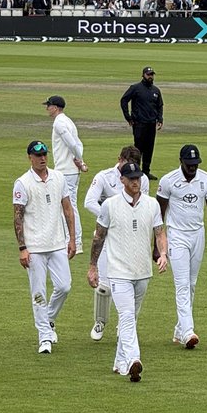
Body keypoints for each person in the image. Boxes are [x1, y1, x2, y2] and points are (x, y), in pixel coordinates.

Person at [87, 161, 167, 381]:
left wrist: (163, 254)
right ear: (121, 180)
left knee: (130, 317)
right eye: (131, 179)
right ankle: (134, 359)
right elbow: (98, 237)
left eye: (138, 178)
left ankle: (120, 362)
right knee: (127, 315)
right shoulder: (110, 206)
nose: (136, 182)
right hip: (119, 272)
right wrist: (93, 266)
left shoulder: (151, 205)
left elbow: (160, 233)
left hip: (142, 271)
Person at [156, 143, 207, 349]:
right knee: (182, 284)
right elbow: (158, 215)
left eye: (195, 164)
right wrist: (157, 246)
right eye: (189, 164)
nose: (193, 167)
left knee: (191, 284)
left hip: (198, 235)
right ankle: (188, 332)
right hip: (176, 235)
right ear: (181, 162)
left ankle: (179, 329)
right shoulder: (168, 181)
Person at [12, 139, 76, 354]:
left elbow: (68, 210)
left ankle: (48, 320)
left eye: (44, 154)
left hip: (57, 243)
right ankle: (44, 337)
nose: (42, 158)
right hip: (35, 247)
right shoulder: (22, 183)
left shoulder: (58, 178)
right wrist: (22, 247)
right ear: (29, 157)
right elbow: (18, 217)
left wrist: (72, 239)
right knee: (38, 292)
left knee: (65, 286)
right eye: (37, 155)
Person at [83, 144, 148, 341]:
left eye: (135, 167)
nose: (132, 172)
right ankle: (100, 321)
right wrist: (110, 215)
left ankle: (126, 325)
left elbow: (142, 204)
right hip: (106, 234)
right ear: (120, 159)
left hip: (129, 237)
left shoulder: (142, 179)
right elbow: (89, 202)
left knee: (134, 282)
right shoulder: (104, 177)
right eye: (128, 165)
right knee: (104, 285)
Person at [44, 93, 87, 252]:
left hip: (66, 170)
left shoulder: (59, 123)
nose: (47, 109)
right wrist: (79, 160)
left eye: (48, 106)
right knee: (68, 205)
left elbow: (73, 144)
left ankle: (75, 241)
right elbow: (79, 144)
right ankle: (72, 239)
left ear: (55, 107)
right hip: (69, 170)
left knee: (69, 206)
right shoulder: (68, 121)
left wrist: (79, 160)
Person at [119, 65, 164, 176]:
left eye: (152, 75)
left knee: (149, 148)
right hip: (139, 123)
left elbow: (160, 105)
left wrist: (160, 118)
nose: (150, 77)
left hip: (151, 124)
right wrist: (128, 117)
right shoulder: (135, 88)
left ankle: (146, 171)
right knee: (138, 148)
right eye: (148, 74)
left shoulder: (156, 90)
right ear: (143, 75)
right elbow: (124, 100)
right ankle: (136, 170)